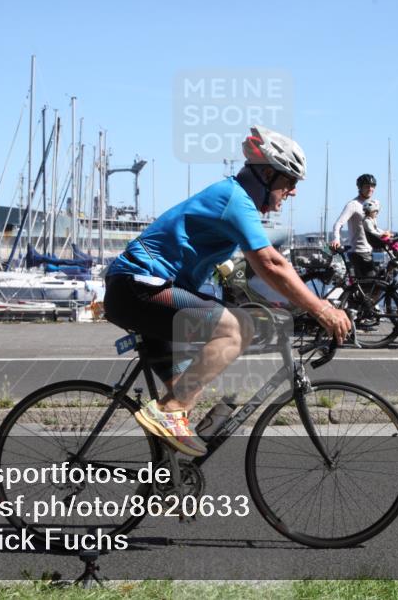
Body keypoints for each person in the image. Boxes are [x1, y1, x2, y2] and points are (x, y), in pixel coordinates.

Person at [104, 125, 351, 456]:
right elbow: (271, 264)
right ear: (266, 174)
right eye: (289, 183)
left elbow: (258, 272)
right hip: (140, 286)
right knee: (235, 330)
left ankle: (169, 482)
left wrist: (284, 307)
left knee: (187, 388)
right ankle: (169, 411)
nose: (291, 193)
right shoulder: (234, 200)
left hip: (145, 289)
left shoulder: (234, 200)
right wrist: (320, 309)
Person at [330, 174, 377, 278]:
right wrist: (336, 239)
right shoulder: (353, 205)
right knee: (372, 287)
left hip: (367, 251)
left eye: (372, 186)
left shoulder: (370, 205)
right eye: (367, 186)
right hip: (358, 252)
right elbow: (338, 224)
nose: (370, 189)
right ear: (360, 187)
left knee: (372, 287)